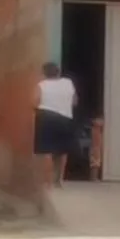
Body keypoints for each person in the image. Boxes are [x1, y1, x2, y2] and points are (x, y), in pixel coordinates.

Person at [32, 61, 77, 192]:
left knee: (47, 151)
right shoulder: (68, 83)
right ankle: (59, 180)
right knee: (62, 151)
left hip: (47, 117)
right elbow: (74, 101)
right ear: (58, 72)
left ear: (44, 73)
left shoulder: (41, 85)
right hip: (65, 118)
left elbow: (34, 101)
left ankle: (48, 182)